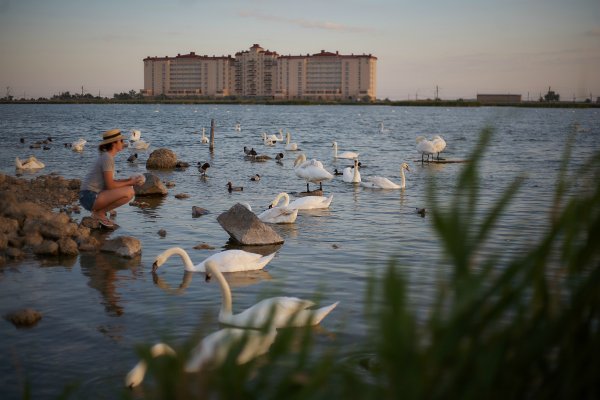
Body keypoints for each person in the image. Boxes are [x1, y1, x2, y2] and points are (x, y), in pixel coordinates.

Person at [79, 129, 144, 229]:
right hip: (89, 197)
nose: (123, 143)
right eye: (121, 141)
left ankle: (98, 212)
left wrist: (128, 180)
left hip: (87, 196)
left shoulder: (106, 156)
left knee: (129, 189)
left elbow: (110, 183)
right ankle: (99, 213)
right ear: (114, 143)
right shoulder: (107, 158)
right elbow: (110, 186)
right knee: (129, 192)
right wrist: (131, 182)